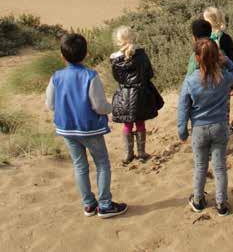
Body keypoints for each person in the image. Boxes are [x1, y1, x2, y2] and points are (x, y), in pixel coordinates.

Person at [45, 33, 128, 218]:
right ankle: (105, 204)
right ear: (86, 54)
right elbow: (99, 106)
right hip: (90, 128)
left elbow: (50, 104)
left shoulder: (56, 77)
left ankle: (89, 204)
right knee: (102, 163)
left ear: (62, 55)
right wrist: (112, 107)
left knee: (79, 166)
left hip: (66, 129)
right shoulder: (90, 76)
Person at [177, 39, 233, 216]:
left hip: (199, 129)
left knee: (200, 166)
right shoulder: (223, 77)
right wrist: (226, 60)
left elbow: (183, 107)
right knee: (219, 167)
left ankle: (198, 200)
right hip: (220, 127)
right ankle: (221, 204)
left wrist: (182, 131)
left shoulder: (190, 81)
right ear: (217, 57)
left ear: (197, 58)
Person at [111, 26, 163, 164]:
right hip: (140, 94)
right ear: (133, 37)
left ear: (118, 40)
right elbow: (150, 74)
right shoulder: (142, 55)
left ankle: (128, 154)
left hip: (124, 95)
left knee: (127, 124)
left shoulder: (115, 59)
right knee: (140, 122)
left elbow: (117, 78)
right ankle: (141, 153)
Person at [203, 7, 233, 132]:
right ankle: (226, 127)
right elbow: (232, 60)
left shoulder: (204, 39)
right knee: (225, 105)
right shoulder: (225, 38)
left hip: (208, 79)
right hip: (224, 78)